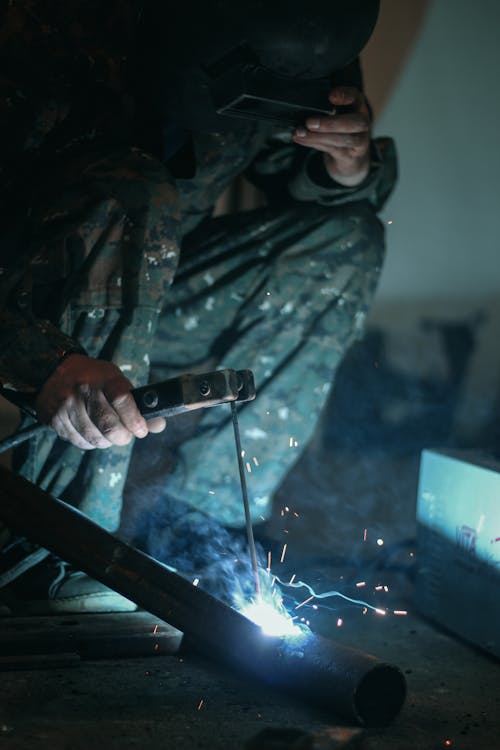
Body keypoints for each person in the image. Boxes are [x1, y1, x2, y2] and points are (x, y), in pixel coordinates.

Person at [0, 0, 397, 613]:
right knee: (138, 190)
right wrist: (41, 356)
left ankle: (190, 534)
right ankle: (68, 548)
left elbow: (290, 164)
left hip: (155, 288)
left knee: (346, 239)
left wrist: (346, 166)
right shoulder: (38, 30)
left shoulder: (298, 30)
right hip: (32, 307)